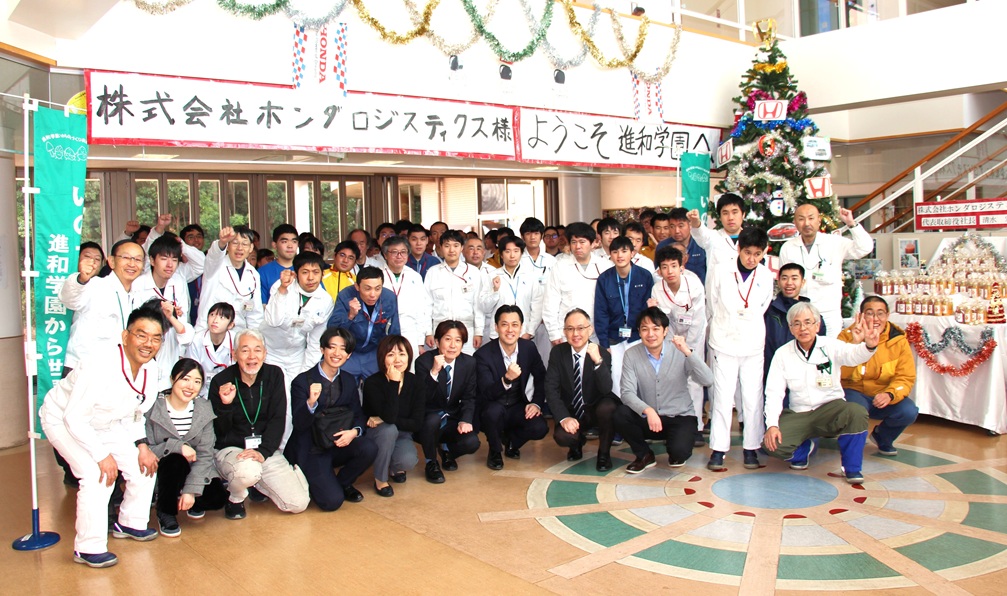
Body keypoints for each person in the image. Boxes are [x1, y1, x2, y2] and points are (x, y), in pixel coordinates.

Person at [39, 304, 166, 568]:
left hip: (107, 422)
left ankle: (130, 523)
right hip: (63, 419)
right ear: (125, 336)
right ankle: (88, 548)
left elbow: (135, 412)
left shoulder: (151, 369)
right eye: (141, 335)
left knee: (143, 466)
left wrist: (142, 446)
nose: (148, 344)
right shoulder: (99, 364)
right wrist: (101, 455)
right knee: (96, 475)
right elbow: (74, 417)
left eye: (156, 338)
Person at [763, 304, 881, 484]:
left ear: (817, 326)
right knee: (772, 445)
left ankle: (852, 468)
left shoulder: (830, 345)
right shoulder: (782, 354)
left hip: (830, 409)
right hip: (800, 413)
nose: (803, 328)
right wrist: (772, 425)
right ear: (791, 329)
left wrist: (869, 347)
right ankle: (805, 448)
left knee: (856, 413)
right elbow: (774, 392)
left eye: (808, 322)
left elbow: (852, 355)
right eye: (797, 324)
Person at [208, 329, 309, 520]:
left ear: (265, 353)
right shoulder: (221, 381)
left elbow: (278, 418)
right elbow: (219, 431)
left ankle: (257, 483)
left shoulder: (274, 375)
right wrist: (226, 405)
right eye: (245, 350)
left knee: (298, 503)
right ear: (234, 354)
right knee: (248, 471)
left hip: (263, 449)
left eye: (257, 350)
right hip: (231, 450)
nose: (252, 356)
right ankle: (235, 498)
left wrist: (263, 452)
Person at [285, 328, 378, 510]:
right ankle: (320, 481)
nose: (337, 353)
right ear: (322, 349)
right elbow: (299, 424)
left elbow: (358, 414)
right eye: (332, 347)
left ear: (348, 355)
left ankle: (342, 482)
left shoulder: (348, 380)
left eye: (343, 349)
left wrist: (353, 432)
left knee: (369, 448)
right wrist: (310, 403)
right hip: (313, 449)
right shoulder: (302, 381)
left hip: (337, 443)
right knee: (332, 502)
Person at [706, 227, 774, 472]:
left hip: (752, 343)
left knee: (753, 396)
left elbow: (763, 305)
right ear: (738, 249)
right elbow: (712, 302)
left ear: (764, 252)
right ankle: (718, 449)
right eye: (747, 253)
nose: (751, 259)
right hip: (723, 341)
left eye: (757, 254)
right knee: (722, 397)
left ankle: (751, 448)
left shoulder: (766, 275)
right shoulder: (721, 270)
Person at [615, 307, 714, 472]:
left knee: (679, 454)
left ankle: (675, 446)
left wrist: (688, 352)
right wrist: (647, 410)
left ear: (665, 331)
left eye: (656, 329)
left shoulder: (680, 351)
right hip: (648, 419)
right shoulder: (631, 354)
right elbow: (627, 393)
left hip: (679, 416)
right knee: (620, 413)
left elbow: (708, 380)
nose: (650, 334)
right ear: (639, 332)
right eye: (645, 329)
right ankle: (644, 455)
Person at [145, 358, 228, 537]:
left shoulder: (204, 409)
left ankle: (185, 497)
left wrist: (191, 490)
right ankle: (165, 510)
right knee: (175, 461)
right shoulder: (153, 407)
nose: (191, 386)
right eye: (185, 379)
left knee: (218, 498)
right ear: (172, 379)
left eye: (197, 381)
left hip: (193, 468)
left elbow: (205, 454)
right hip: (162, 469)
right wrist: (178, 446)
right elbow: (147, 448)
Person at [263, 251, 335, 445]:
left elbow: (316, 341)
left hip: (296, 354)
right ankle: (270, 445)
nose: (311, 278)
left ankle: (286, 447)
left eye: (315, 272)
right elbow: (273, 320)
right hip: (270, 352)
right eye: (305, 272)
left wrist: (305, 373)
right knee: (274, 399)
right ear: (296, 273)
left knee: (294, 399)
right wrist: (282, 290)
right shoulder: (281, 286)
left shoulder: (325, 300)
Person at [838, 296, 918, 456]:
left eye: (880, 314)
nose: (875, 319)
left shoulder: (898, 341)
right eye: (870, 313)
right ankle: (851, 449)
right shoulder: (846, 337)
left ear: (887, 316)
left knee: (908, 411)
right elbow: (837, 372)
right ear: (861, 315)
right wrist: (855, 344)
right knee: (856, 410)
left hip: (883, 394)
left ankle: (883, 437)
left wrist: (890, 394)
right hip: (853, 392)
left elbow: (905, 377)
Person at [779, 204, 874, 336]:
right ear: (795, 222)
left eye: (811, 218)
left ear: (819, 220)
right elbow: (784, 281)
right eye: (801, 219)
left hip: (828, 314)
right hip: (799, 314)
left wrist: (851, 224)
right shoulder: (788, 247)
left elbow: (864, 248)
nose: (807, 223)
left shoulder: (834, 243)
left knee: (830, 348)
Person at [545, 309, 620, 471]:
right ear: (564, 331)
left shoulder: (601, 353)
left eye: (580, 328)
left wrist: (598, 361)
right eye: (570, 329)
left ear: (590, 329)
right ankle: (576, 445)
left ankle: (604, 454)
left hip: (594, 410)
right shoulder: (558, 352)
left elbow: (606, 389)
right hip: (571, 410)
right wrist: (564, 417)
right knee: (562, 436)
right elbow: (551, 389)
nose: (575, 334)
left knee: (608, 407)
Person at [476, 305, 548, 470]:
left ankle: (511, 442)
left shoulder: (528, 348)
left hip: (516, 404)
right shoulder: (483, 355)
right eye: (504, 324)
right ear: (496, 327)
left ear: (521, 327)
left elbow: (541, 377)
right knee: (493, 412)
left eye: (515, 325)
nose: (510, 330)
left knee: (540, 427)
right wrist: (506, 379)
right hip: (493, 406)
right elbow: (486, 393)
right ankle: (495, 451)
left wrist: (536, 403)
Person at [648, 245, 707, 445]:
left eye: (674, 266)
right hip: (671, 339)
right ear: (659, 270)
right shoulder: (657, 289)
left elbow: (698, 320)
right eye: (664, 267)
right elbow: (663, 322)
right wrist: (671, 345)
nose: (670, 271)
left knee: (694, 382)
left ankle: (696, 427)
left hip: (693, 338)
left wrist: (687, 348)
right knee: (672, 381)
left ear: (682, 267)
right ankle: (673, 426)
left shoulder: (694, 284)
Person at [60, 238, 146, 373]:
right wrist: (81, 279)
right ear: (111, 261)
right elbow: (69, 299)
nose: (132, 263)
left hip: (117, 370)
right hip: (83, 370)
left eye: (138, 259)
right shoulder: (95, 285)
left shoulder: (139, 295)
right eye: (126, 257)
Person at [414, 321, 481, 483]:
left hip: (451, 417)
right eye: (448, 339)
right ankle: (431, 462)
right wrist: (434, 372)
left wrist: (465, 420)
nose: (452, 345)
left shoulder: (469, 363)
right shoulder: (423, 362)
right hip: (427, 420)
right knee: (433, 419)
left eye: (458, 340)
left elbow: (469, 397)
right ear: (437, 342)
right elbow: (422, 399)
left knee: (472, 442)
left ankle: (446, 451)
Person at [131, 234, 196, 391]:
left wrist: (181, 352)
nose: (169, 265)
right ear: (152, 260)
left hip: (171, 350)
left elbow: (183, 321)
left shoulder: (179, 282)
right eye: (164, 258)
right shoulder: (138, 284)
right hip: (145, 348)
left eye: (174, 260)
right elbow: (135, 321)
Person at [362, 335, 425, 496]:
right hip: (377, 434)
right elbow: (389, 418)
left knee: (408, 461)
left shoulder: (416, 382)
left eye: (402, 354)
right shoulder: (372, 383)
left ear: (409, 356)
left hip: (402, 433)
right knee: (388, 429)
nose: (397, 359)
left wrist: (382, 418)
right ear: (382, 358)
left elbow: (416, 423)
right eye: (391, 354)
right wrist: (394, 383)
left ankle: (393, 466)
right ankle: (380, 479)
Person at [594, 236, 654, 390]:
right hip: (614, 338)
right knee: (617, 378)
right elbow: (601, 313)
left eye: (624, 251)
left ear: (632, 253)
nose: (619, 255)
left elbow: (649, 311)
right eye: (615, 252)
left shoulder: (645, 276)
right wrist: (604, 343)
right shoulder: (604, 279)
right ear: (610, 255)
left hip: (638, 336)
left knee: (641, 378)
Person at [542, 222, 613, 345]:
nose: (578, 246)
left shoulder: (605, 266)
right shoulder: (560, 266)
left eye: (582, 242)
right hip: (567, 334)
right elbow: (550, 302)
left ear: (593, 243)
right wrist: (554, 333)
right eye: (573, 242)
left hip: (598, 333)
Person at [330, 265, 400, 380]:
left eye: (378, 288)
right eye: (367, 289)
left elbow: (394, 331)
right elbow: (332, 330)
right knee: (344, 385)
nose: (373, 294)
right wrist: (350, 315)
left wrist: (393, 355)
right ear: (357, 286)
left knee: (378, 386)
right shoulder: (345, 296)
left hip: (375, 351)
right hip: (349, 352)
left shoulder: (389, 298)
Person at [764, 264, 825, 388]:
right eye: (784, 278)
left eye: (794, 278)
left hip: (804, 382)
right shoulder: (768, 312)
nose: (789, 283)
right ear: (778, 282)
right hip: (773, 377)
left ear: (803, 282)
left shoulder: (813, 315)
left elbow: (821, 349)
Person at [424, 229, 485, 354]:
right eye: (447, 246)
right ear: (441, 247)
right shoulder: (433, 272)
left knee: (467, 363)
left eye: (456, 246)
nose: (451, 250)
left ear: (462, 248)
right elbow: (426, 305)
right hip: (440, 330)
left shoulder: (473, 272)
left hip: (467, 330)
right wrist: (428, 332)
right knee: (442, 363)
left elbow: (478, 305)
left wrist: (478, 332)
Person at [196, 225, 262, 332]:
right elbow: (213, 256)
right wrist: (222, 242)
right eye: (235, 243)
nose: (239, 248)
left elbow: (255, 314)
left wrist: (254, 336)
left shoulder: (253, 274)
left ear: (251, 248)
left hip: (238, 333)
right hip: (210, 332)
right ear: (228, 246)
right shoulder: (215, 266)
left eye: (244, 244)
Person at [381, 235, 433, 359]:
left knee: (409, 366)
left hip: (410, 330)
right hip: (383, 329)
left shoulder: (414, 276)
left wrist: (420, 341)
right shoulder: (378, 275)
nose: (399, 256)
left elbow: (422, 309)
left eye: (403, 252)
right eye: (394, 252)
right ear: (385, 254)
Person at [482, 236, 543, 341]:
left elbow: (537, 306)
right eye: (507, 251)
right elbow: (485, 307)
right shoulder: (492, 276)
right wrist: (495, 291)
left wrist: (529, 332)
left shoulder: (530, 276)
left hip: (523, 333)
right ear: (501, 255)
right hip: (498, 334)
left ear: (521, 253)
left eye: (516, 251)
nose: (512, 255)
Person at [687, 193, 748, 285]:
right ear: (720, 217)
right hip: (716, 293)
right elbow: (700, 232)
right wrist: (695, 222)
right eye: (725, 213)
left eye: (735, 212)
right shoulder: (712, 237)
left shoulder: (751, 239)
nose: (730, 218)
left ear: (743, 214)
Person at [520, 217, 558, 362]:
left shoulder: (551, 261)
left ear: (541, 236)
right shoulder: (517, 260)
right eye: (528, 233)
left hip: (546, 321)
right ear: (522, 236)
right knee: (524, 362)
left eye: (536, 233)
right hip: (524, 320)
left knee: (546, 361)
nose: (532, 237)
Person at [185, 301, 236, 396]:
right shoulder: (196, 340)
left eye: (222, 317)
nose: (215, 320)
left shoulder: (236, 341)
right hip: (200, 390)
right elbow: (191, 369)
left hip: (227, 390)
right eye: (212, 315)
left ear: (230, 325)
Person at [662, 208, 707, 284]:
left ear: (690, 225)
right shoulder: (663, 246)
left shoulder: (701, 244)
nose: (677, 231)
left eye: (681, 226)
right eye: (672, 226)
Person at [257, 223, 299, 304]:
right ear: (274, 245)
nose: (290, 246)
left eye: (294, 241)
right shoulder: (263, 272)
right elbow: (262, 305)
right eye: (284, 241)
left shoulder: (306, 269)